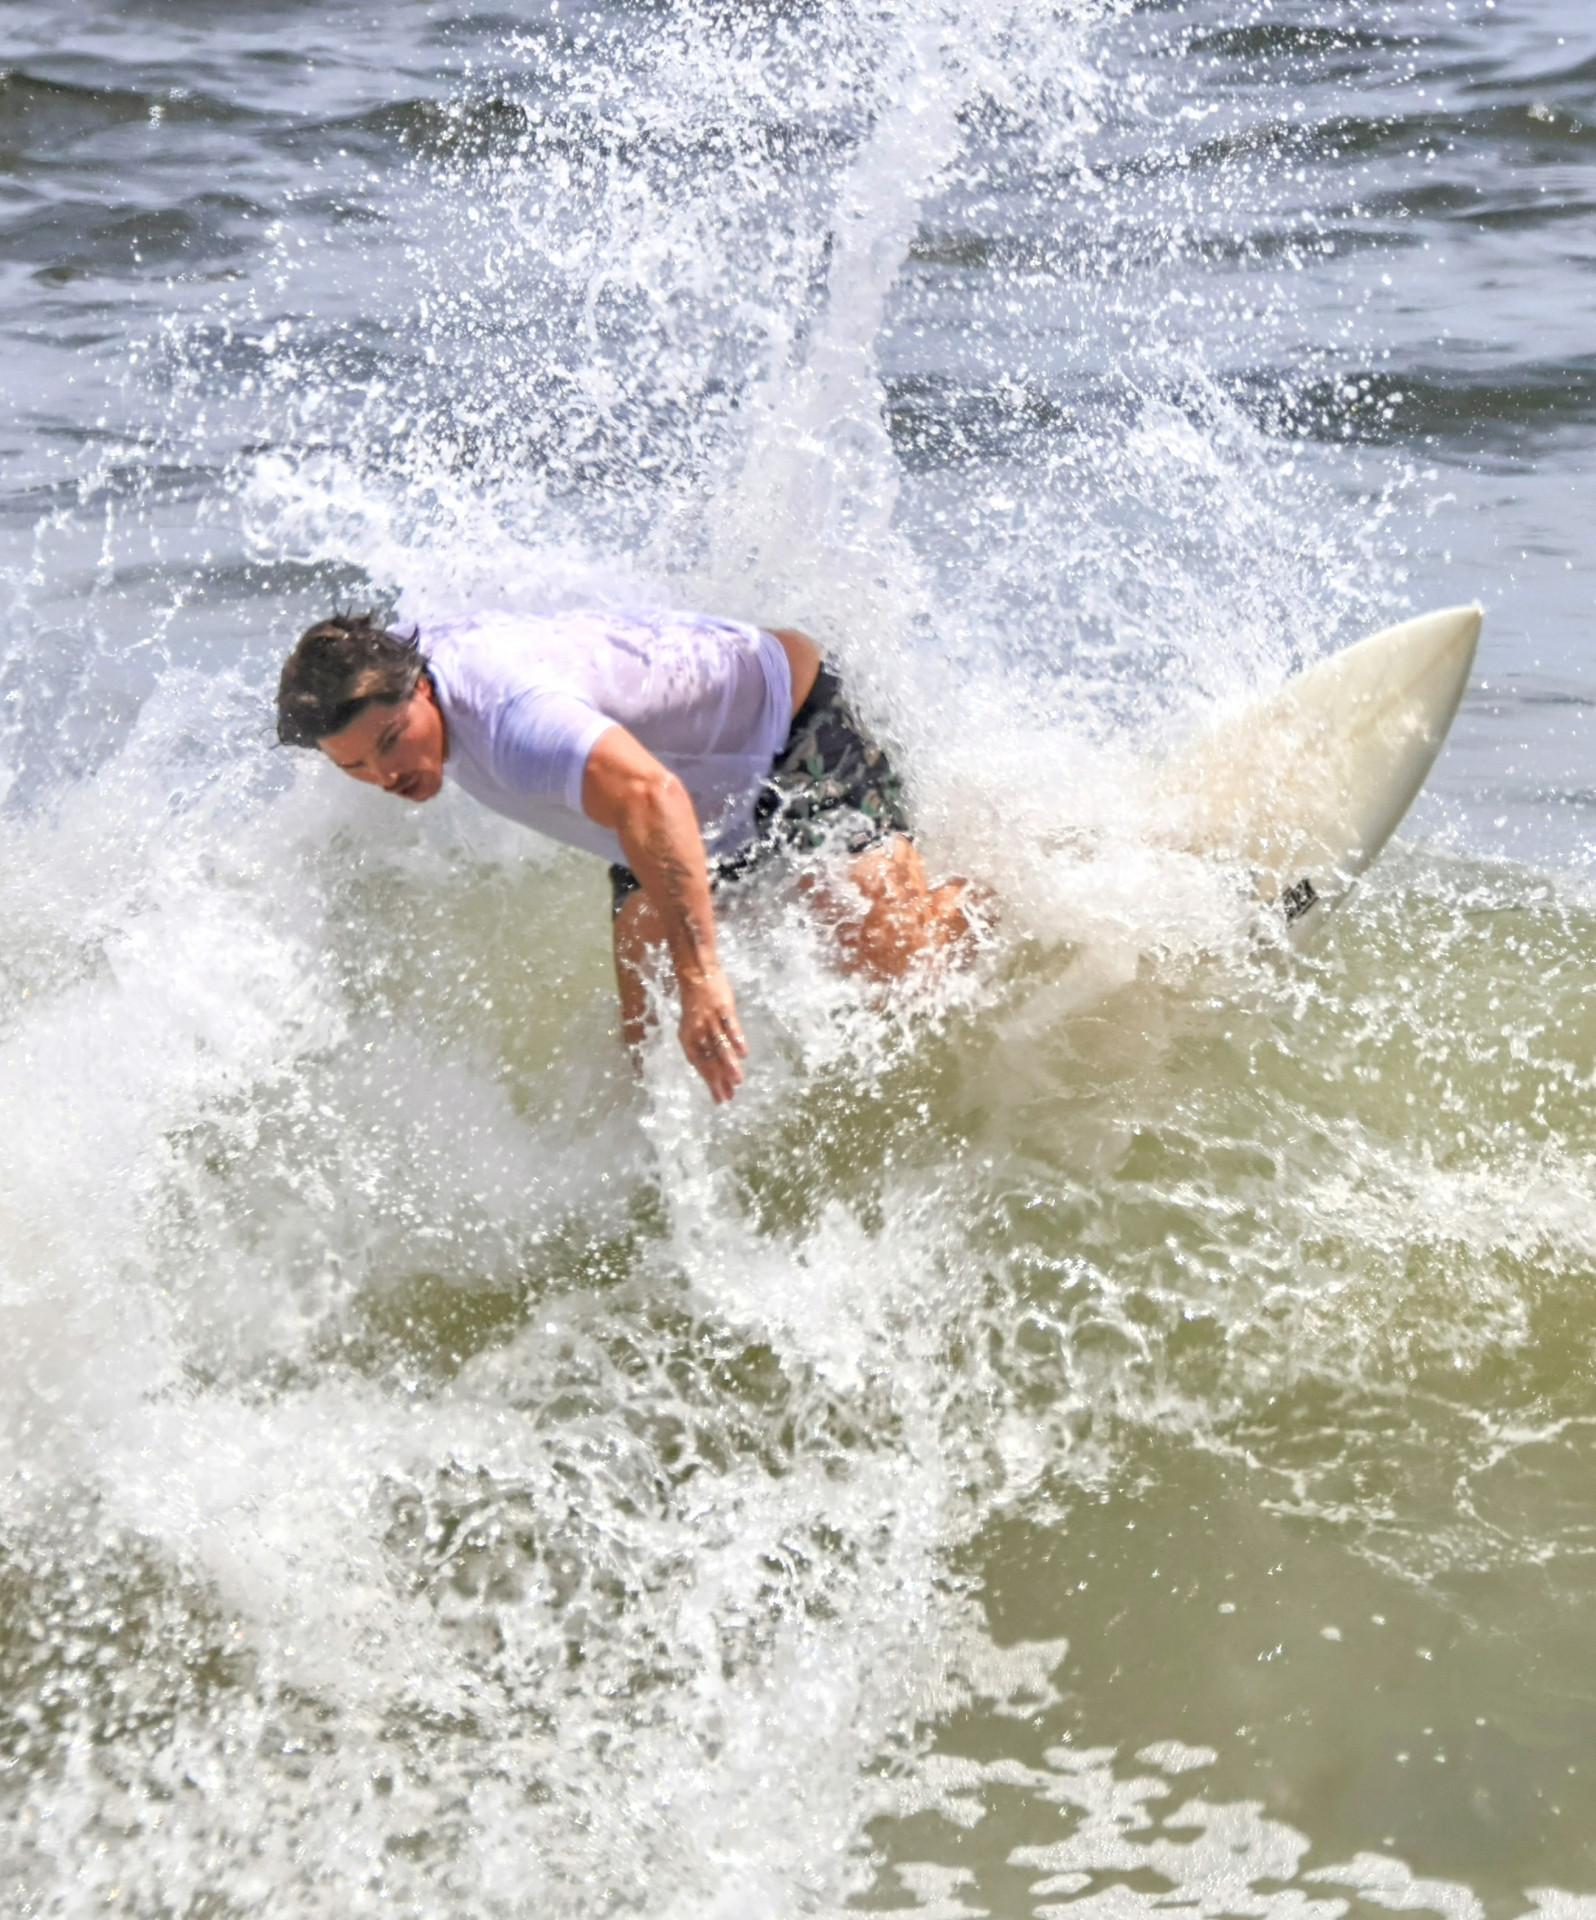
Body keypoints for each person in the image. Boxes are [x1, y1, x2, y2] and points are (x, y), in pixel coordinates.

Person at [276, 606, 971, 1102]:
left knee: (900, 981)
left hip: (785, 730)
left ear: (422, 687)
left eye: (392, 740)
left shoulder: (513, 723)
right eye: (354, 765)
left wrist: (702, 976)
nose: (386, 775)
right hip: (677, 799)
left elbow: (651, 796)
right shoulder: (388, 666)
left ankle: (991, 907)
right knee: (654, 1057)